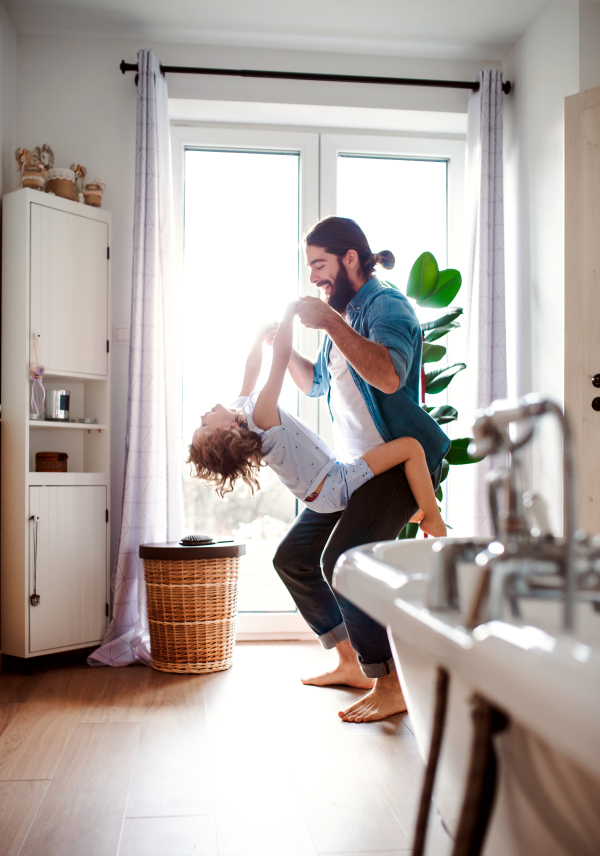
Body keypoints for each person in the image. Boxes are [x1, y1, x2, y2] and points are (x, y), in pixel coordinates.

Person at [269, 217, 451, 723]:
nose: (314, 278)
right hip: (355, 469)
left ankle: (390, 684)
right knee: (295, 558)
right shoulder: (343, 316)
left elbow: (390, 377)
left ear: (351, 258)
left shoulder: (385, 305)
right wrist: (280, 353)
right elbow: (316, 387)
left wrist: (330, 324)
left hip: (399, 463)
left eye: (320, 265)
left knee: (343, 560)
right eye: (310, 268)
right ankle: (351, 662)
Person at [187, 302, 446, 539]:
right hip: (334, 483)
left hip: (321, 489)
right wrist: (289, 312)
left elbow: (252, 368)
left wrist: (259, 333)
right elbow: (280, 359)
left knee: (386, 468)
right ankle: (433, 519)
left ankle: (411, 511)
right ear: (230, 430)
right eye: (205, 425)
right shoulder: (260, 417)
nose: (202, 416)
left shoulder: (241, 410)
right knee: (411, 447)